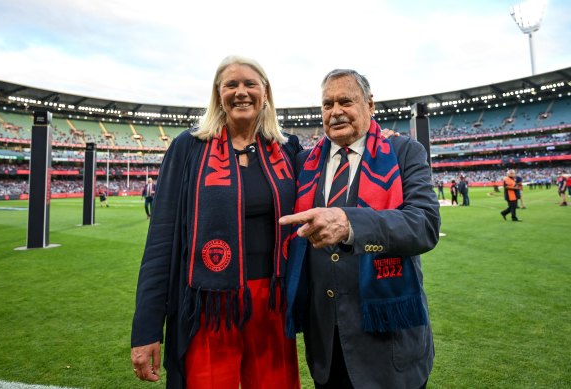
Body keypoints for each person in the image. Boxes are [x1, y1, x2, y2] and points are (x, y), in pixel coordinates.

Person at [131, 55, 301, 389]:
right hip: (208, 306)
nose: (241, 92)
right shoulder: (188, 148)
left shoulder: (288, 149)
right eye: (231, 85)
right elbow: (162, 238)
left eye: (250, 83)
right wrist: (147, 328)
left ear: (265, 93)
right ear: (218, 95)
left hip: (273, 305)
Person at [279, 69, 440, 389]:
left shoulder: (403, 152)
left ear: (370, 105)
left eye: (346, 101)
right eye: (327, 104)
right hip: (326, 345)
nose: (335, 111)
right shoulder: (305, 162)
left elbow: (424, 225)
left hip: (388, 344)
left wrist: (351, 224)